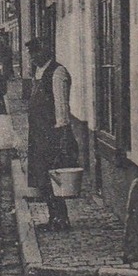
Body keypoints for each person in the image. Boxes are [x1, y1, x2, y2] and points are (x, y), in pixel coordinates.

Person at [26, 38, 78, 231]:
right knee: (42, 178)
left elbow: (61, 107)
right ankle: (52, 217)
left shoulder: (57, 73)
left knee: (55, 178)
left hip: (53, 135)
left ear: (44, 52)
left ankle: (61, 219)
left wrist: (62, 133)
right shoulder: (38, 72)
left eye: (34, 53)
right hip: (38, 135)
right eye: (30, 54)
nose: (31, 58)